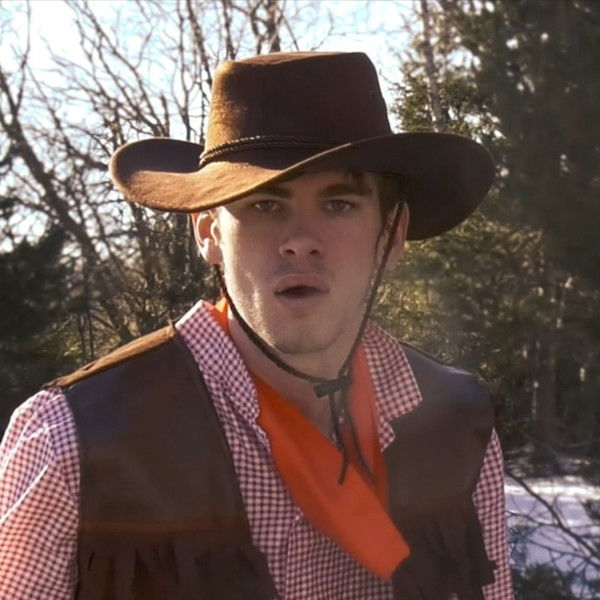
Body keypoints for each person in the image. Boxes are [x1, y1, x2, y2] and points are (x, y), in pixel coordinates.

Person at [0, 52, 513, 599]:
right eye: (265, 205)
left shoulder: (458, 427)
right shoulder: (74, 440)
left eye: (339, 205)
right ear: (208, 233)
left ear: (391, 236)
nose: (300, 240)